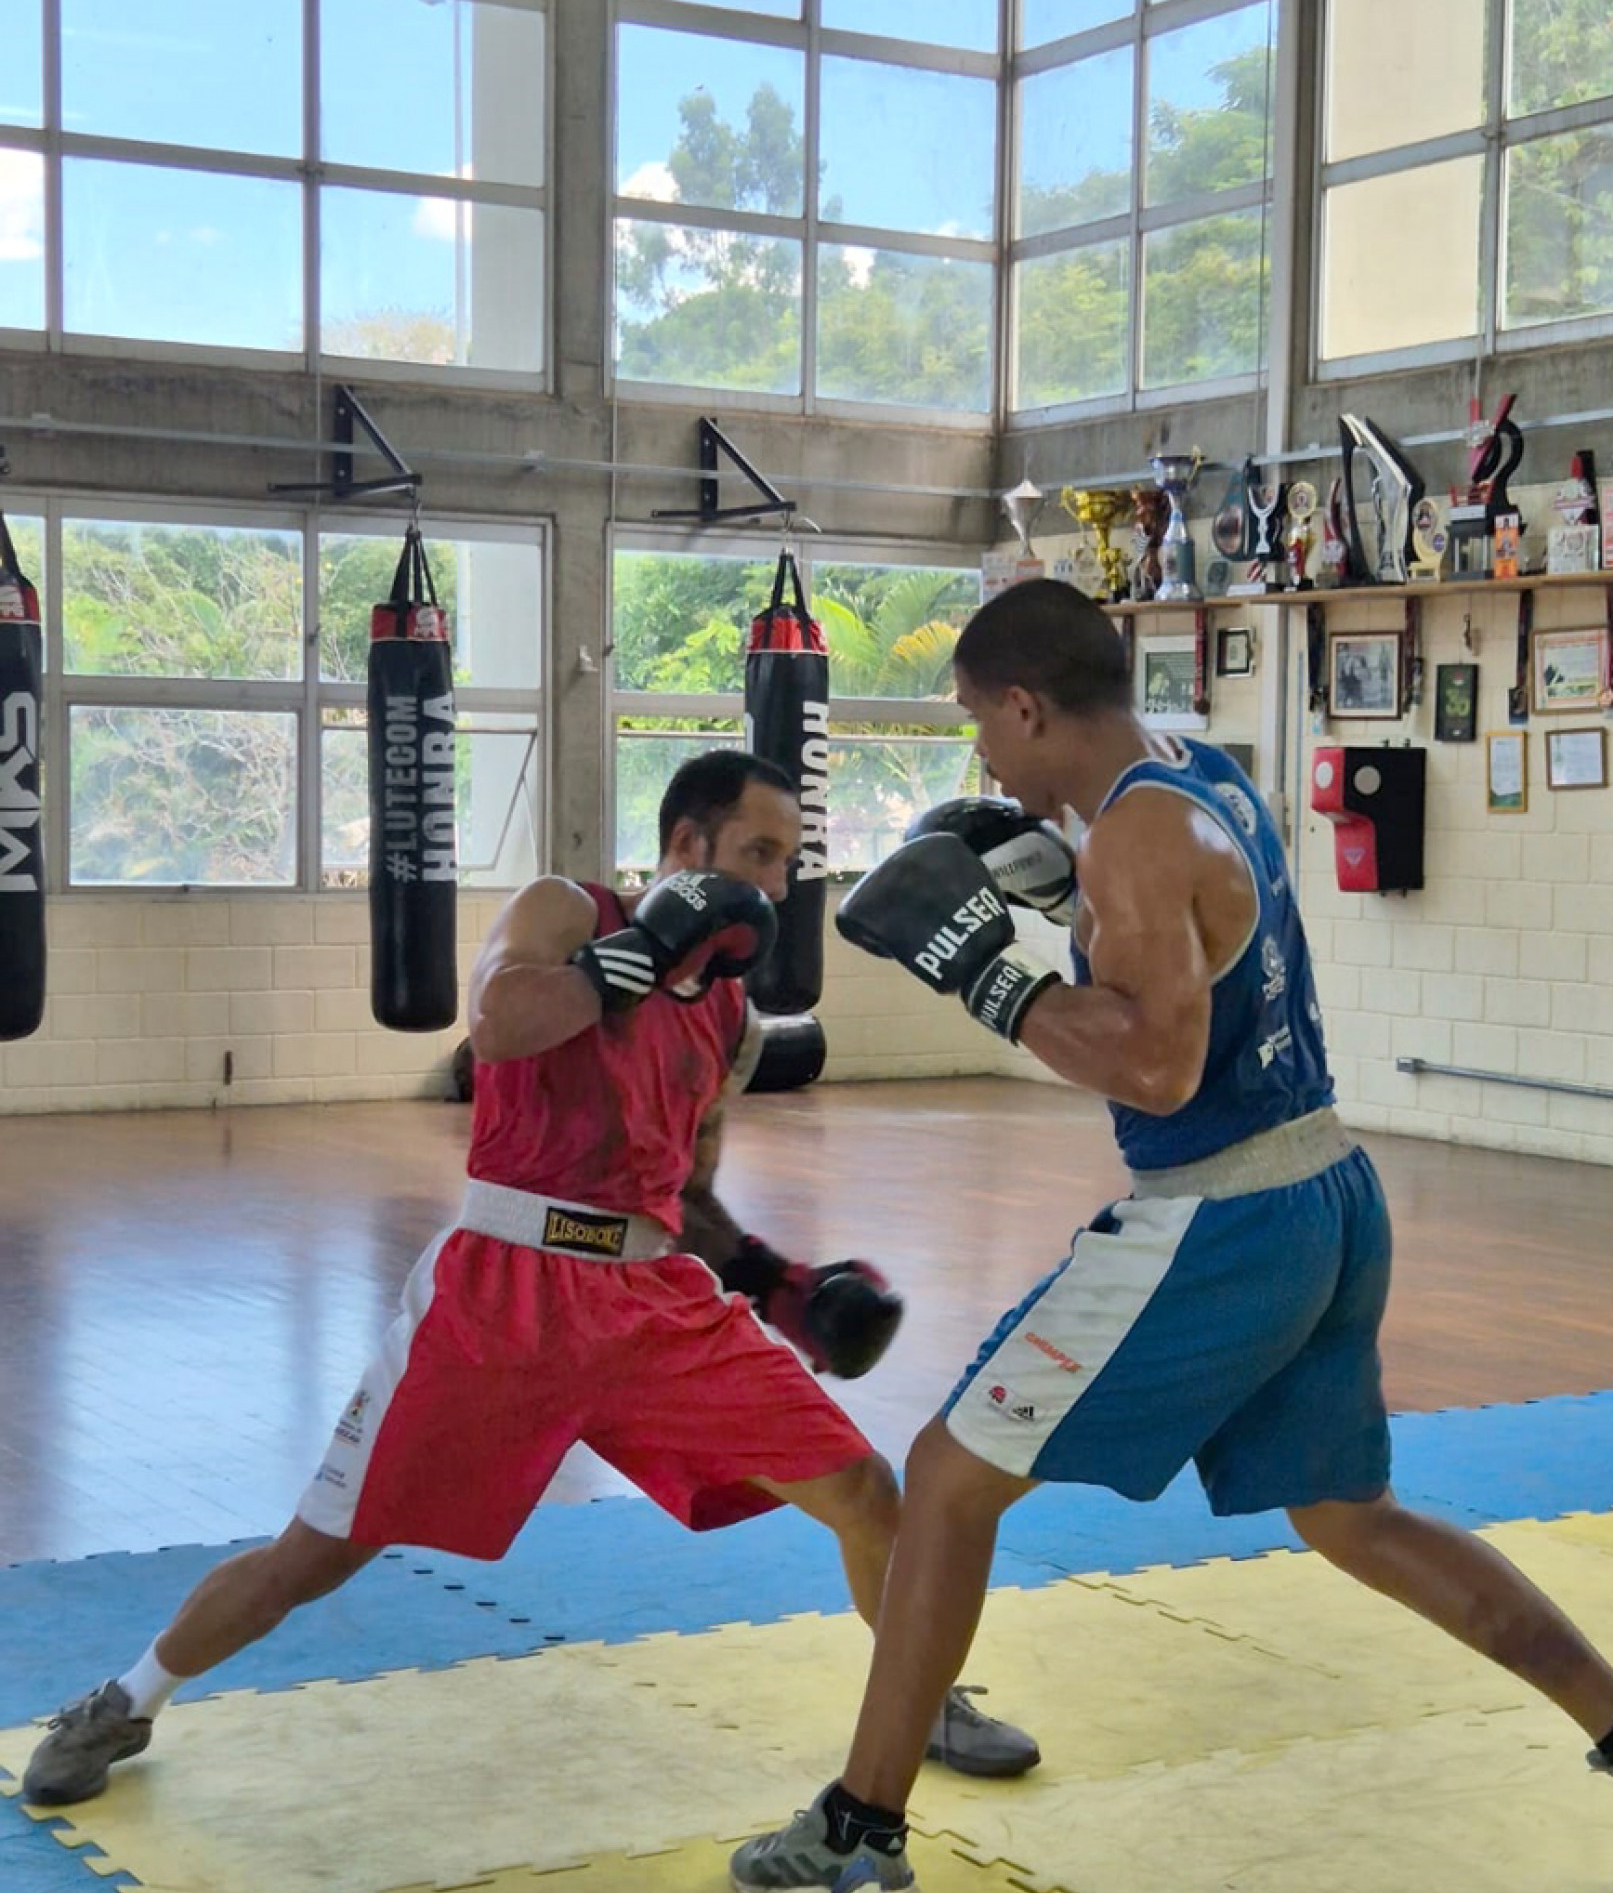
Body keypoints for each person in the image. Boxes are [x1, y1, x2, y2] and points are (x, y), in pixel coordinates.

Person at [729, 578, 1613, 1893]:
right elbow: (1195, 952)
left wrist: (989, 970)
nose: (979, 752)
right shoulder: (1195, 772)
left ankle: (859, 1837)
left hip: (1219, 1218)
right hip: (1327, 1191)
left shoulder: (1131, 840)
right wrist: (1067, 903)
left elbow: (1156, 1065)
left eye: (978, 720)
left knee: (949, 1478)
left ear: (1026, 705)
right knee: (1350, 1515)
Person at [21, 751, 1037, 1809]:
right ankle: (126, 1698)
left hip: (652, 1304)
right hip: (502, 1295)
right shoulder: (566, 909)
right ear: (686, 844)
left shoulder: (730, 1015)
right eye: (759, 852)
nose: (778, 884)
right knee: (315, 1553)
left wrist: (781, 1287)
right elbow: (497, 1024)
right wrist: (636, 956)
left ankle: (922, 1699)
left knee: (866, 1490)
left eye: (790, 860)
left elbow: (684, 1194)